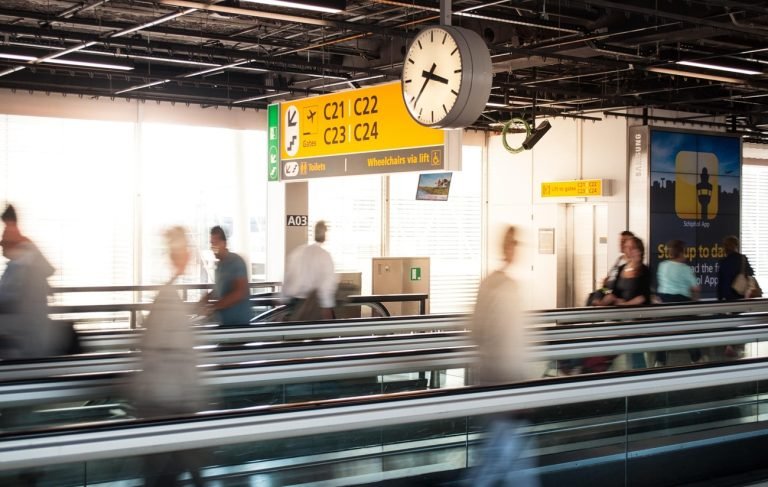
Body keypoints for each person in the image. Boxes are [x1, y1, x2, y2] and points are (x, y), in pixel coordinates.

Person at [130, 226, 206, 486]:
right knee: (166, 473)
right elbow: (167, 351)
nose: (191, 255)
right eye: (187, 250)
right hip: (168, 402)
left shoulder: (167, 294)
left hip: (165, 399)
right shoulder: (168, 297)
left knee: (164, 473)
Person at [465, 225, 539, 486]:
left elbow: (476, 331)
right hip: (506, 381)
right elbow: (513, 343)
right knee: (508, 458)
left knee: (499, 455)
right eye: (516, 244)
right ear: (510, 248)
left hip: (489, 376)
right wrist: (523, 384)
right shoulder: (507, 288)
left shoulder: (489, 283)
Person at [0, 204, 60, 358]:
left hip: (24, 343)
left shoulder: (23, 266)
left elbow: (8, 298)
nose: (1, 241)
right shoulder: (17, 266)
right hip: (22, 338)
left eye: (6, 230)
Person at [592, 236, 651, 369]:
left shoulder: (644, 271)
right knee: (621, 351)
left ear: (639, 250)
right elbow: (611, 290)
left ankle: (640, 379)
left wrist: (624, 304)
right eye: (626, 247)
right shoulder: (621, 268)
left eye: (632, 247)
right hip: (621, 317)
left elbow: (642, 297)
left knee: (634, 352)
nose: (628, 250)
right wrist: (603, 299)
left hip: (636, 319)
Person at [654, 239, 701, 366]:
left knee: (662, 332)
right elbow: (696, 288)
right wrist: (694, 301)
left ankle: (660, 360)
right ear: (681, 253)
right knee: (689, 332)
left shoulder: (662, 266)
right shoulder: (685, 269)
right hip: (682, 303)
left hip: (664, 304)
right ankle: (695, 358)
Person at [282, 220, 338, 321]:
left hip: (294, 304)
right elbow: (327, 285)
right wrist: (327, 307)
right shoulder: (324, 255)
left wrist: (282, 298)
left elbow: (288, 278)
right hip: (313, 306)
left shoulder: (298, 251)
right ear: (325, 234)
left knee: (295, 334)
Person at [200, 225, 252, 326]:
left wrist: (213, 307)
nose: (212, 247)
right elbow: (219, 289)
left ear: (224, 243)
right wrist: (206, 297)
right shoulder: (219, 266)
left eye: (215, 244)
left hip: (239, 325)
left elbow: (240, 292)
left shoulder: (236, 261)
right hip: (225, 323)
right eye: (211, 244)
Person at [586, 230, 634, 306]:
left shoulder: (632, 263)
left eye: (624, 241)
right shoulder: (619, 259)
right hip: (608, 289)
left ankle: (599, 305)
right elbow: (611, 275)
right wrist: (606, 282)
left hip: (616, 292)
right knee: (595, 294)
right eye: (620, 241)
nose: (621, 244)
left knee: (603, 295)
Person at [717, 235, 755, 301]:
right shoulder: (743, 259)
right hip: (742, 295)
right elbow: (751, 273)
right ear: (736, 246)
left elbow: (721, 283)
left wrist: (719, 299)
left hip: (727, 297)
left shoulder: (723, 262)